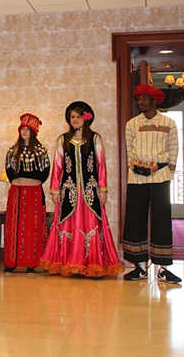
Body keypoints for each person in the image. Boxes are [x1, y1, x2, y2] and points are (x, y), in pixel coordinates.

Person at [40, 101, 124, 278]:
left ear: (86, 118)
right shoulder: (63, 140)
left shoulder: (95, 139)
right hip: (69, 191)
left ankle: (93, 264)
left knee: (92, 223)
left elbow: (101, 165)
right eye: (72, 117)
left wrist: (103, 189)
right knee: (68, 223)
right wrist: (55, 190)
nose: (75, 120)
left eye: (78, 116)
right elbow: (57, 166)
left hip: (90, 190)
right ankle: (71, 264)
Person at [123, 84, 181, 284]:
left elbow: (173, 149)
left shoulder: (168, 123)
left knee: (162, 221)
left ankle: (163, 269)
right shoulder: (132, 124)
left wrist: (167, 172)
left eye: (145, 99)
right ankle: (139, 267)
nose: (140, 102)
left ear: (155, 101)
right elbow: (129, 150)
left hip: (161, 178)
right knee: (134, 220)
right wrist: (136, 167)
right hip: (137, 178)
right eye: (139, 99)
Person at [3, 113, 50, 275]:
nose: (24, 131)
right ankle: (11, 263)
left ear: (33, 132)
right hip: (16, 192)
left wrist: (31, 182)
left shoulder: (41, 151)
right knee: (14, 226)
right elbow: (9, 172)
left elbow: (45, 173)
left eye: (28, 129)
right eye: (22, 128)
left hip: (34, 193)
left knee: (33, 227)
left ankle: (32, 263)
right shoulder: (12, 151)